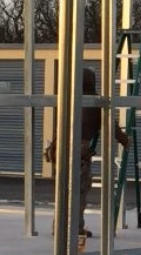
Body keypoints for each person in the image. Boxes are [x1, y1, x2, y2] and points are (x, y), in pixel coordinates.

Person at [45, 67, 129, 238]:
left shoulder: (69, 99)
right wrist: (125, 140)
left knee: (64, 190)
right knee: (79, 190)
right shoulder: (93, 102)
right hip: (79, 149)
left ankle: (60, 226)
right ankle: (74, 228)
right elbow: (110, 125)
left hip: (60, 147)